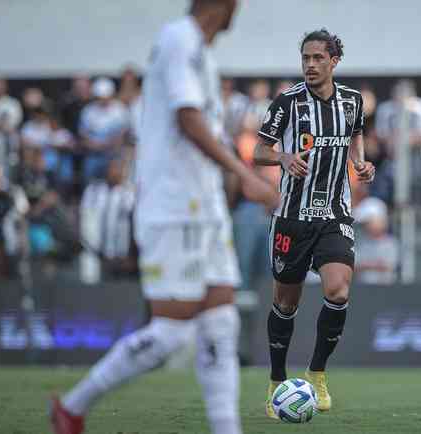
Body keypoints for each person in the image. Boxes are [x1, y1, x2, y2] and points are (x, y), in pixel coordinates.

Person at [50, 2, 278, 434]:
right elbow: (187, 118)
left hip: (206, 209)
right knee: (173, 332)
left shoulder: (204, 55)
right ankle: (73, 408)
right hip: (173, 209)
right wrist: (244, 175)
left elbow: (201, 124)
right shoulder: (178, 38)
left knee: (221, 324)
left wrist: (230, 182)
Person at [253, 28, 375, 417]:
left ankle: (317, 373)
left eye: (318, 58)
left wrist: (359, 163)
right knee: (285, 303)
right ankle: (275, 382)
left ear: (334, 61)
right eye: (305, 57)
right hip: (292, 218)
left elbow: (356, 137)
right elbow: (259, 151)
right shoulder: (287, 102)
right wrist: (284, 158)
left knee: (338, 292)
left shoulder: (353, 102)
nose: (309, 64)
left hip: (334, 214)